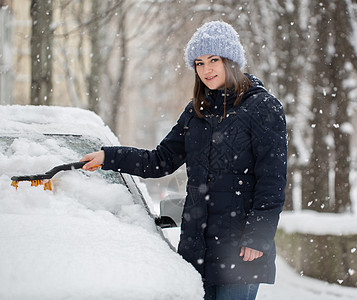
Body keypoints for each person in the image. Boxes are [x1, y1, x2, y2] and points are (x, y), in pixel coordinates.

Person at [81, 21, 287, 300]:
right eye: (199, 63)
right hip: (196, 249)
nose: (206, 70)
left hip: (239, 249)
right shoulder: (196, 112)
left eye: (214, 60)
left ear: (232, 60)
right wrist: (109, 156)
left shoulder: (262, 107)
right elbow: (160, 161)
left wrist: (257, 237)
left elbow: (272, 181)